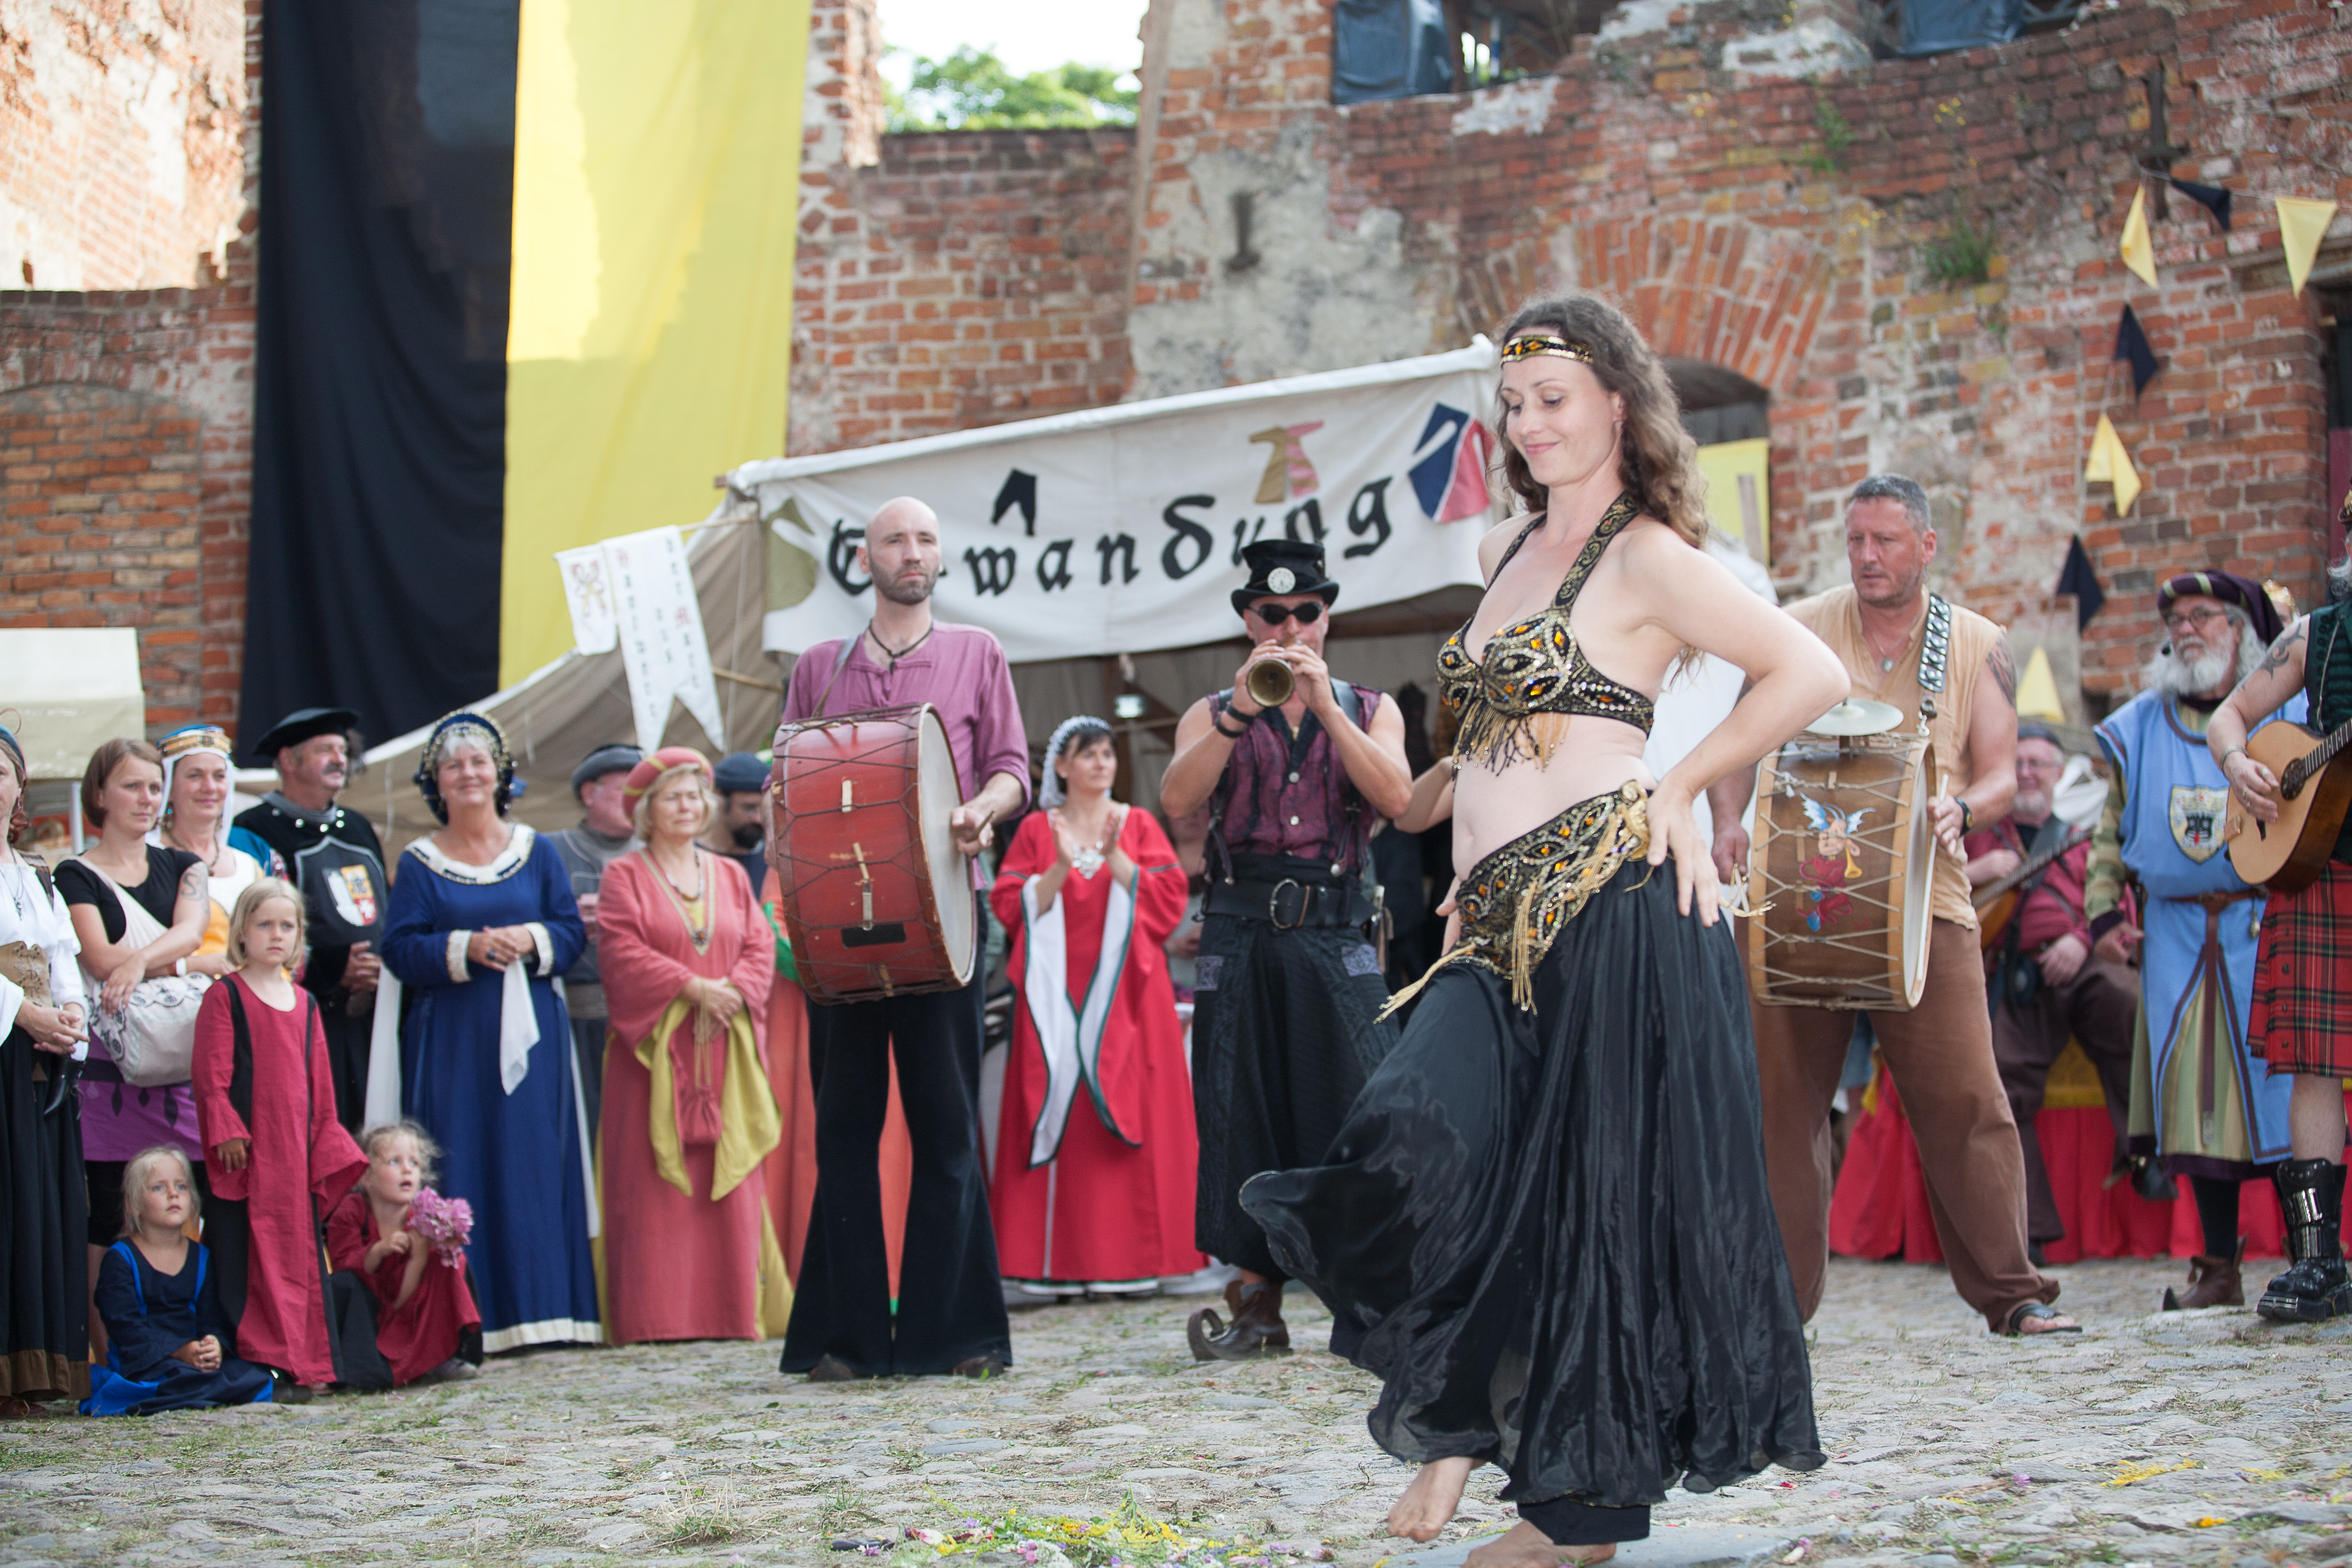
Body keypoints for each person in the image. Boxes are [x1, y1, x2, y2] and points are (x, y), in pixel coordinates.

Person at [1240, 296, 1837, 1566]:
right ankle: (1464, 1418)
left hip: (1613, 906)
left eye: (1554, 399)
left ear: (1619, 401)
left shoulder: (1648, 556)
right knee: (1422, 1144)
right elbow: (1489, 749)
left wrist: (1684, 787)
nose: (1530, 424)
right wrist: (1459, 843)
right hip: (1494, 919)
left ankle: (1575, 1516)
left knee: (1591, 1209)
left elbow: (1808, 672)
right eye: (1514, 404)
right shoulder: (1508, 545)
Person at [1718, 474, 2071, 1336]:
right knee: (1782, 1109)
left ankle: (2014, 1294)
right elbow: (1739, 740)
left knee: (1967, 1100)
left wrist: (1966, 809)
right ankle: (1775, 1313)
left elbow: (1998, 772)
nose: (1867, 557)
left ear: (1926, 546)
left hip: (1926, 900)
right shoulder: (1799, 626)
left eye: (1885, 541)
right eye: (1856, 541)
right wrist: (1728, 821)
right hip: (1799, 899)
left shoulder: (1976, 641)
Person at [776, 496, 1027, 1380]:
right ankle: (844, 1340)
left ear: (940, 557)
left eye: (925, 538)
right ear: (865, 558)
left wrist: (980, 810)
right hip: (838, 929)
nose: (911, 551)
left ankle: (950, 1336)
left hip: (945, 921)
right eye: (894, 539)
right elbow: (784, 780)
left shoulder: (977, 652)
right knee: (845, 1129)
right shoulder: (818, 665)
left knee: (946, 1127)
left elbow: (1011, 769)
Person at [1158, 535, 1412, 1360]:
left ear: (1326, 617)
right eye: (1273, 615)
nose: (1290, 628)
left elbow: (1399, 799)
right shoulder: (1212, 709)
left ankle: (1372, 1296)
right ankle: (1257, 1301)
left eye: (1306, 612)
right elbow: (1177, 800)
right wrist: (1239, 714)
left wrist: (1327, 708)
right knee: (1241, 1111)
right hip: (1239, 931)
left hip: (1335, 928)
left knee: (1368, 1105)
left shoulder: (1370, 708)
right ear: (1249, 621)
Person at [2086, 572, 2297, 1310]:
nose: (2186, 628)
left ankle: (2313, 1256)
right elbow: (2108, 831)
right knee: (2195, 1100)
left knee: (2282, 1093)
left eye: (2203, 615)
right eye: (2176, 618)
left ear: (2240, 629)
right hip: (2175, 935)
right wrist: (2103, 912)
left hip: (2264, 923)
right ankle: (2217, 1269)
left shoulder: (2285, 715)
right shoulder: (2140, 726)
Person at [381, 712, 598, 1352]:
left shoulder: (538, 850)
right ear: (437, 782)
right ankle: (472, 1319)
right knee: (462, 1157)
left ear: (500, 773)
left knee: (534, 1159)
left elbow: (570, 933)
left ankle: (547, 1312)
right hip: (453, 1038)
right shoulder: (420, 863)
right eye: (454, 765)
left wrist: (528, 937)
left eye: (479, 762)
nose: (468, 773)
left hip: (536, 1039)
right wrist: (465, 946)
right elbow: (400, 949)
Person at [990, 717, 1204, 1293]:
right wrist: (1061, 865)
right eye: (1088, 754)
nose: (1102, 763)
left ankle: (1135, 1260)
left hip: (1130, 994)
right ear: (1062, 766)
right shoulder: (1036, 829)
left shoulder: (1137, 824)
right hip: (1055, 995)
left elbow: (1168, 900)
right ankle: (1051, 1263)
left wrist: (1116, 859)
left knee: (1135, 1104)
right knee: (1057, 1101)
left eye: (1108, 753)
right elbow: (1009, 905)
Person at [2206, 536, 2352, 1322]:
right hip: (2319, 862)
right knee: (2314, 1064)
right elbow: (2229, 717)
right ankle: (2318, 1261)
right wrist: (2239, 766)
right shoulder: (2311, 635)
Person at [596, 748, 786, 1344]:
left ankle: (730, 1311)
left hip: (725, 1043)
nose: (686, 806)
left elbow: (759, 944)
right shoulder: (624, 875)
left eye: (693, 796)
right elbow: (620, 950)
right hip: (654, 1050)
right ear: (647, 811)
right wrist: (693, 988)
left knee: (728, 1177)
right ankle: (654, 1315)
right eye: (672, 797)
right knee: (650, 1183)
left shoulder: (728, 874)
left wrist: (731, 995)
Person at [1962, 722, 2139, 1263]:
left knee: (2129, 1005)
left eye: (2037, 763)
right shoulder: (1978, 836)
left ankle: (2145, 1156)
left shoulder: (2084, 838)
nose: (2026, 773)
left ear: (2059, 773)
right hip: (2012, 973)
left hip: (2080, 965)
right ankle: (2029, 1230)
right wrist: (1978, 868)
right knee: (2002, 1074)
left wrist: (2082, 940)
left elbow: (2117, 905)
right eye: (2017, 763)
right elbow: (1932, 889)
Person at [57, 738, 211, 1360]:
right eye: (131, 785)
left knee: (192, 1199)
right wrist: (169, 962)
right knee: (107, 1212)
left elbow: (192, 932)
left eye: (154, 786)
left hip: (179, 1066)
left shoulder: (185, 865)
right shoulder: (74, 874)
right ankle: (110, 1357)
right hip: (110, 1072)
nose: (146, 798)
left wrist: (141, 961)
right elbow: (97, 956)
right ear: (100, 793)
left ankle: (195, 1341)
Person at [191, 879, 368, 1395]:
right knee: (246, 1258)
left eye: (286, 926)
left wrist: (325, 1147)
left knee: (297, 1259)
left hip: (294, 1158)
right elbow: (210, 1075)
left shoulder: (306, 1003)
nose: (276, 935)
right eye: (264, 924)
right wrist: (226, 1128)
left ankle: (304, 1362)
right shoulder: (225, 996)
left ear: (299, 937)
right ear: (241, 933)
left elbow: (321, 1087)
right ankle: (258, 1361)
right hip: (247, 1156)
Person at [234, 709, 388, 1131]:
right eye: (325, 750)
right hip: (304, 1017)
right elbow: (251, 927)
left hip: (371, 1017)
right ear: (288, 760)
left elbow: (382, 909)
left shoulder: (357, 826)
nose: (339, 759)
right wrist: (333, 968)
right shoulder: (253, 831)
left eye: (342, 750)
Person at [0, 722, 92, 1413]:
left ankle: (29, 1370)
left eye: (0, 772)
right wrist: (22, 1013)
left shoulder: (34, 873)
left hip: (37, 1056)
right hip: (8, 1038)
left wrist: (69, 1014)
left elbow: (63, 959)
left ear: (19, 786)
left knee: (34, 1202)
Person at [81, 1147, 272, 1415]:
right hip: (144, 1360)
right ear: (134, 1204)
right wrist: (180, 1351)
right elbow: (124, 1325)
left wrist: (213, 1344)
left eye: (181, 1186)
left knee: (253, 1377)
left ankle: (194, 1391)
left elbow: (212, 1318)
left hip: (193, 1360)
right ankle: (185, 1392)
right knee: (177, 1378)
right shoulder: (121, 1258)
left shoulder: (202, 1257)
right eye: (159, 1188)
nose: (173, 1194)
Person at [324, 1121, 482, 1384]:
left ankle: (440, 1354)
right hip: (368, 1314)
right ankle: (361, 1367)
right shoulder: (351, 1212)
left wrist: (420, 1259)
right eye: (394, 1162)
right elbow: (343, 1271)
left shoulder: (424, 1218)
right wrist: (377, 1251)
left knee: (448, 1259)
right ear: (366, 1176)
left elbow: (403, 1302)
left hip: (410, 1310)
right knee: (343, 1283)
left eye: (415, 1163)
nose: (407, 1169)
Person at [544, 741, 643, 1146]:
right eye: (626, 791)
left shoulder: (658, 853)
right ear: (590, 794)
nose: (636, 802)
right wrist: (567, 924)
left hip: (648, 1022)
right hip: (573, 1022)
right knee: (583, 1138)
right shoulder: (549, 851)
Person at [153, 725, 276, 957]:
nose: (209, 787)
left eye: (219, 776)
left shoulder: (248, 865)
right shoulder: (150, 858)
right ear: (169, 787)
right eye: (195, 776)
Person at [709, 752, 771, 898]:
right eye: (749, 808)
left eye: (764, 810)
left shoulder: (773, 862)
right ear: (719, 799)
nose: (758, 819)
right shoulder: (693, 860)